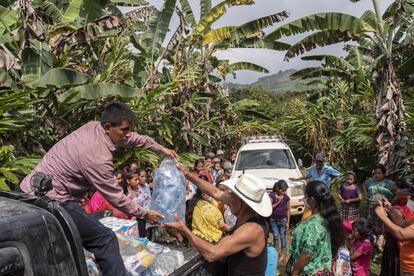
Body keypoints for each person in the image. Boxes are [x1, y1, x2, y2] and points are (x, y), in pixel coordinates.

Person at [18, 101, 178, 276]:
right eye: (124, 130)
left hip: (28, 188)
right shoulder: (97, 156)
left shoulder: (94, 127)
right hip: (52, 199)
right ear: (108, 127)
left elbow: (133, 138)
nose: (127, 135)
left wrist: (162, 149)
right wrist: (144, 213)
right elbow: (115, 196)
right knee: (105, 239)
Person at [165, 163, 272, 276]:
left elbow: (212, 253)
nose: (228, 197)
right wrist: (188, 175)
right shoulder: (245, 213)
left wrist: (185, 231)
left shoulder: (251, 230)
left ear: (241, 203)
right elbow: (215, 192)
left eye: (232, 195)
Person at [289, 181, 344, 276]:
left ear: (312, 200)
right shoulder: (327, 218)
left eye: (305, 196)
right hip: (324, 269)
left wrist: (295, 271)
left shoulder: (313, 224)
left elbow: (307, 253)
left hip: (311, 271)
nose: (303, 199)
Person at [375, 189, 414, 276]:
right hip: (407, 265)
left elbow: (401, 234)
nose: (411, 202)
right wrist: (391, 210)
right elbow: (403, 224)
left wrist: (382, 216)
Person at [363, 164, 396, 236]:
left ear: (384, 174)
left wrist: (391, 202)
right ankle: (371, 239)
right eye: (375, 173)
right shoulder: (369, 181)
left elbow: (397, 193)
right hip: (370, 206)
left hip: (382, 207)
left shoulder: (390, 183)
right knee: (370, 223)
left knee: (382, 223)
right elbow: (364, 186)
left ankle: (381, 241)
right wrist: (367, 196)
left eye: (379, 173)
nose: (377, 175)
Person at [124, 168, 152, 237]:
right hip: (135, 220)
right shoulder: (125, 194)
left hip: (144, 216)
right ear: (128, 181)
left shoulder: (139, 189)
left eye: (138, 179)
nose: (138, 181)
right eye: (135, 180)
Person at [269, 180, 290, 262]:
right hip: (273, 220)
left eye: (285, 190)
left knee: (283, 236)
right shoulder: (271, 196)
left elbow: (288, 210)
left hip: (283, 220)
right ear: (277, 188)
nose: (284, 192)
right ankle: (275, 253)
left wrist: (288, 222)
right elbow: (270, 207)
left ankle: (283, 254)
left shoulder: (286, 198)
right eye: (282, 190)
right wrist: (278, 202)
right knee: (275, 236)